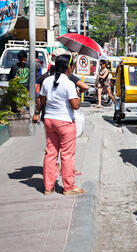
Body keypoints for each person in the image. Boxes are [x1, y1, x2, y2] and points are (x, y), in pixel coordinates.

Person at [33, 54, 86, 195]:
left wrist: (37, 112)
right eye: (73, 65)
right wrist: (78, 94)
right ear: (69, 67)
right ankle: (69, 187)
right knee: (67, 155)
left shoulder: (47, 81)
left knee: (51, 153)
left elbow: (42, 100)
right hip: (65, 122)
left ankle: (48, 187)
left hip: (49, 120)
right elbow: (75, 106)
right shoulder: (69, 83)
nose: (73, 68)